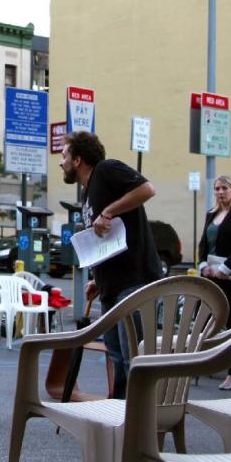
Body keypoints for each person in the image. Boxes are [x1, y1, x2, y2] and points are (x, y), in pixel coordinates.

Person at [60, 131, 162, 399]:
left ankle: (139, 423)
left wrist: (109, 211)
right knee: (117, 356)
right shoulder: (87, 192)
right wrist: (97, 277)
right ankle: (121, 415)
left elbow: (147, 189)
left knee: (133, 358)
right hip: (110, 286)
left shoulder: (106, 170)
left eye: (64, 156)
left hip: (134, 281)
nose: (61, 162)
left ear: (78, 159)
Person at [197, 175, 231, 390]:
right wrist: (203, 264)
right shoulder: (211, 214)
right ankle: (202, 364)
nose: (221, 192)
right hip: (209, 275)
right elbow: (204, 242)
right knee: (204, 320)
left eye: (225, 188)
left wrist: (225, 267)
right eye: (217, 188)